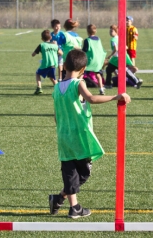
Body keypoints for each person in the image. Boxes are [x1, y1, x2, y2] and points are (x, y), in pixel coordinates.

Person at [49, 49, 131, 218]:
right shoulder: (78, 84)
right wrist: (116, 97)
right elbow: (92, 98)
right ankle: (74, 207)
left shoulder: (56, 87)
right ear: (83, 69)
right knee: (80, 172)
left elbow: (55, 115)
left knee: (74, 173)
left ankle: (60, 199)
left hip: (64, 136)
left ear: (64, 66)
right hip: (79, 136)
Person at [105, 24, 143, 89]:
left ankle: (108, 84)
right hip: (121, 57)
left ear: (116, 31)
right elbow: (126, 47)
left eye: (112, 31)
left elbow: (116, 49)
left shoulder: (113, 40)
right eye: (110, 31)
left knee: (108, 70)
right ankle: (137, 80)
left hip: (115, 59)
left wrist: (110, 56)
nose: (110, 32)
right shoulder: (120, 38)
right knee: (126, 70)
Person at [31, 30, 62, 94]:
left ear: (42, 39)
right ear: (51, 37)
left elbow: (33, 54)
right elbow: (61, 53)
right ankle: (60, 91)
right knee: (53, 78)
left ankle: (39, 87)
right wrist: (56, 46)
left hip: (45, 65)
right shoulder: (54, 45)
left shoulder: (41, 45)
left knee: (38, 74)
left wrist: (34, 53)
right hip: (53, 65)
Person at [82, 24, 107, 95]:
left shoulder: (87, 40)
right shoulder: (98, 39)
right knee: (98, 74)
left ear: (87, 31)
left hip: (90, 61)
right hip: (98, 60)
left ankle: (80, 89)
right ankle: (101, 89)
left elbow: (85, 50)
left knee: (81, 73)